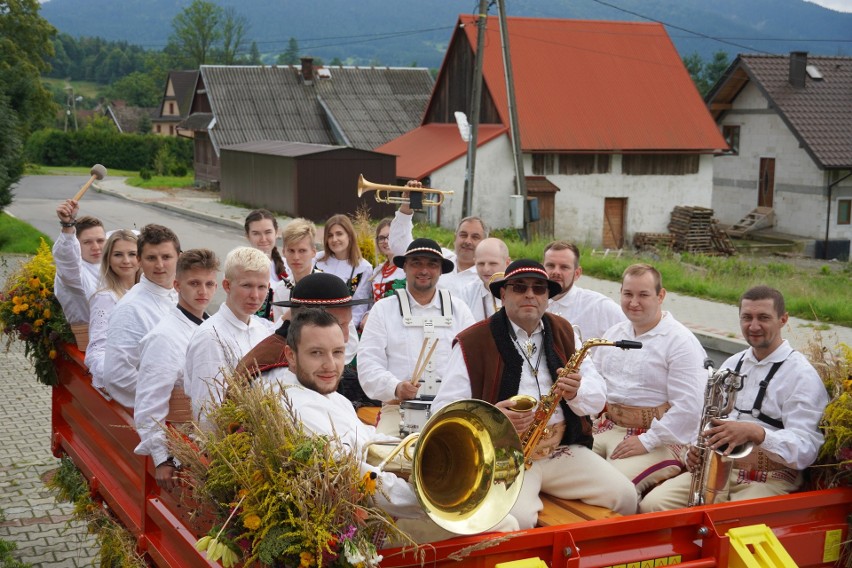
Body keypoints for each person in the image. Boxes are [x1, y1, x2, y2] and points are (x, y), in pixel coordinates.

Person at [266, 308, 519, 541]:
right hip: (358, 528)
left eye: (338, 352)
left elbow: (369, 442)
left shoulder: (331, 396)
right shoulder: (295, 406)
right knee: (505, 525)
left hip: (374, 511)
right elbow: (358, 478)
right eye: (316, 353)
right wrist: (436, 502)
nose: (330, 365)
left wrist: (421, 451)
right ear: (291, 355)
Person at [432, 259, 638, 529]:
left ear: (548, 298)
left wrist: (576, 392)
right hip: (506, 457)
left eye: (539, 289)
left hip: (560, 450)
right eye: (519, 287)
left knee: (625, 497)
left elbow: (598, 397)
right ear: (503, 294)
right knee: (517, 521)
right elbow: (443, 410)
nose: (530, 294)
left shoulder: (565, 332)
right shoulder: (473, 341)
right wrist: (491, 417)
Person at [640, 285, 829, 512]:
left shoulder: (802, 375)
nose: (754, 326)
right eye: (747, 317)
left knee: (731, 526)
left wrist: (757, 433)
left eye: (764, 318)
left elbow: (806, 449)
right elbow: (709, 421)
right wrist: (694, 450)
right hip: (718, 468)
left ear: (783, 320)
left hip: (770, 478)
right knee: (653, 505)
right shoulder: (732, 363)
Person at [591, 263, 706, 497]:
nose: (634, 302)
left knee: (610, 490)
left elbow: (690, 407)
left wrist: (647, 440)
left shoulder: (680, 341)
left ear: (660, 296)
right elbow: (596, 383)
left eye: (643, 295)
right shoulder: (614, 334)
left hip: (660, 439)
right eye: (628, 294)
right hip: (608, 426)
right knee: (561, 467)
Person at [358, 238, 475, 435]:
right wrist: (395, 387)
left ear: (440, 270)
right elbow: (368, 364)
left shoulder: (459, 310)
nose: (424, 270)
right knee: (385, 459)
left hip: (449, 413)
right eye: (416, 263)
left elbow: (473, 362)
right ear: (404, 267)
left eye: (432, 264)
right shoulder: (383, 309)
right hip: (397, 411)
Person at [134, 249, 219, 490]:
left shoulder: (209, 325)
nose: (203, 291)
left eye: (209, 284)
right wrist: (163, 458)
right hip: (183, 446)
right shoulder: (165, 337)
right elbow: (150, 402)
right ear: (177, 285)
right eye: (194, 283)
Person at [237, 273, 372, 406]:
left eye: (348, 324)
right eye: (339, 326)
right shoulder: (285, 372)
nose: (346, 337)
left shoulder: (288, 348)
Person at [186, 247, 277, 422]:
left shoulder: (262, 330)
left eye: (262, 287)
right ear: (227, 285)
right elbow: (207, 410)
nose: (255, 295)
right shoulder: (210, 337)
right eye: (247, 285)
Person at [102, 224, 180, 408]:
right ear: (139, 260)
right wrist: (169, 399)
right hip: (163, 414)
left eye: (166, 257)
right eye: (151, 258)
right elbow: (117, 374)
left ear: (179, 257)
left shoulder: (182, 295)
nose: (160, 265)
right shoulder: (130, 308)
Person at [387, 183, 485, 296]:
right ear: (455, 238)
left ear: (484, 243)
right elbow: (399, 246)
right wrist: (406, 206)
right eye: (463, 235)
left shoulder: (487, 273)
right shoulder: (440, 256)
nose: (468, 241)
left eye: (475, 237)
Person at [85, 230, 140, 390]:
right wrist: (119, 378)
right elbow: (97, 349)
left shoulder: (149, 293)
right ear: (108, 258)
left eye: (132, 254)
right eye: (118, 255)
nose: (126, 261)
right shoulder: (106, 297)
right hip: (127, 386)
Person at [543, 241, 625, 339]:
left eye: (564, 267)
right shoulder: (530, 303)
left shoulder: (598, 306)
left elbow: (634, 331)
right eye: (551, 265)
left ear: (577, 273)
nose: (556, 272)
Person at [53, 199, 106, 344]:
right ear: (76, 244)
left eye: (100, 241)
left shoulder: (111, 265)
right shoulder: (73, 273)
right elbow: (67, 256)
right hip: (89, 343)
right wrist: (68, 225)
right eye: (87, 242)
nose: (96, 247)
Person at [314, 214, 372, 328]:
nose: (334, 239)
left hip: (345, 330)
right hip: (314, 325)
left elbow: (359, 308)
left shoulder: (363, 268)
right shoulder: (316, 261)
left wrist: (342, 330)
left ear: (349, 236)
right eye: (330, 235)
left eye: (339, 234)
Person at [270, 218, 320, 322]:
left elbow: (348, 334)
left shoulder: (329, 286)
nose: (296, 257)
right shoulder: (281, 289)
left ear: (313, 252)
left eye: (302, 251)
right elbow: (277, 334)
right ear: (284, 252)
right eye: (291, 251)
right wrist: (285, 319)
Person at [244, 209, 286, 321]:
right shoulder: (240, 269)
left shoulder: (288, 265)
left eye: (268, 232)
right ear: (247, 236)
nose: (263, 239)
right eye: (256, 233)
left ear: (276, 233)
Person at [460, 237, 511, 322]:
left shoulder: (519, 291)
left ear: (507, 263)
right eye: (481, 264)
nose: (486, 269)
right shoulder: (466, 293)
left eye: (493, 263)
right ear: (474, 262)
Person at [367, 218, 405, 303]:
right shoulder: (377, 271)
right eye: (381, 238)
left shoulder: (406, 268)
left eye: (390, 236)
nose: (385, 241)